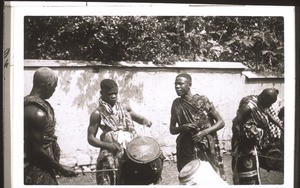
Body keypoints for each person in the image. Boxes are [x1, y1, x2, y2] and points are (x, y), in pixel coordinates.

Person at [87, 79, 154, 185]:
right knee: (112, 179)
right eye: (110, 94)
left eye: (115, 93)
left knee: (133, 176)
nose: (113, 96)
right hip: (111, 152)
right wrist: (108, 145)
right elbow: (90, 138)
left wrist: (144, 120)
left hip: (129, 148)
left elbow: (137, 117)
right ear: (101, 93)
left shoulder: (124, 108)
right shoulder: (97, 113)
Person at [24, 67, 77, 185]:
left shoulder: (37, 106)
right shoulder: (36, 112)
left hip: (45, 165)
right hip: (36, 169)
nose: (54, 90)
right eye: (55, 86)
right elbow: (36, 149)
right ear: (48, 85)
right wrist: (60, 168)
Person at [169, 73, 226, 181]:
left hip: (204, 147)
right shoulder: (176, 104)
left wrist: (203, 133)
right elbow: (172, 129)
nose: (177, 86)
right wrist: (183, 127)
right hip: (186, 148)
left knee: (207, 176)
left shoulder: (202, 101)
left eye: (181, 84)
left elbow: (221, 122)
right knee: (189, 177)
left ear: (189, 85)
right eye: (175, 84)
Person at [231, 88, 283, 184]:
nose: (269, 106)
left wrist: (279, 125)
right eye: (269, 103)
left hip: (251, 143)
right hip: (243, 144)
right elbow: (236, 125)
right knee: (244, 171)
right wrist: (242, 145)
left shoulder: (260, 102)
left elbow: (266, 113)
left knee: (253, 169)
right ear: (263, 97)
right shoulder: (248, 107)